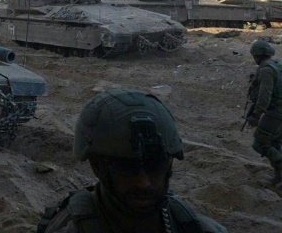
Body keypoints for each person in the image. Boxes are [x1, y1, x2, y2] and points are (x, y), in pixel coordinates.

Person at [37, 89, 226, 233]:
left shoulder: (192, 226)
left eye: (154, 166)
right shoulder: (70, 227)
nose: (144, 183)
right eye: (127, 168)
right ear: (97, 166)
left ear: (169, 163)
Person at [244, 40, 282, 184]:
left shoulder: (266, 70)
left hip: (275, 113)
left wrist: (256, 115)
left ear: (256, 56)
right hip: (278, 111)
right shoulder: (277, 66)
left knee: (260, 144)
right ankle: (279, 177)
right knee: (275, 143)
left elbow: (264, 96)